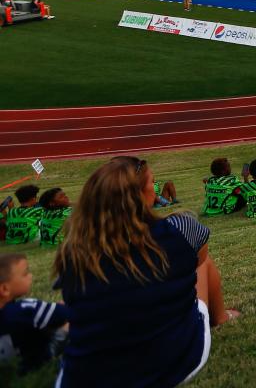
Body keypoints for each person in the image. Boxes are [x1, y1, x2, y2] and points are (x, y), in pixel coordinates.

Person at [54, 156, 237, 387]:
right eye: (152, 182)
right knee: (203, 262)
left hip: (84, 377)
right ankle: (220, 317)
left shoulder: (73, 252)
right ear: (139, 195)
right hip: (171, 363)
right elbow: (196, 262)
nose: (155, 186)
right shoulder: (181, 228)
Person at [0, 253, 68, 374]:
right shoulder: (26, 310)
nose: (30, 276)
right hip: (39, 366)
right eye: (25, 273)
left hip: (12, 375)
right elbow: (68, 312)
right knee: (69, 323)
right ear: (4, 289)